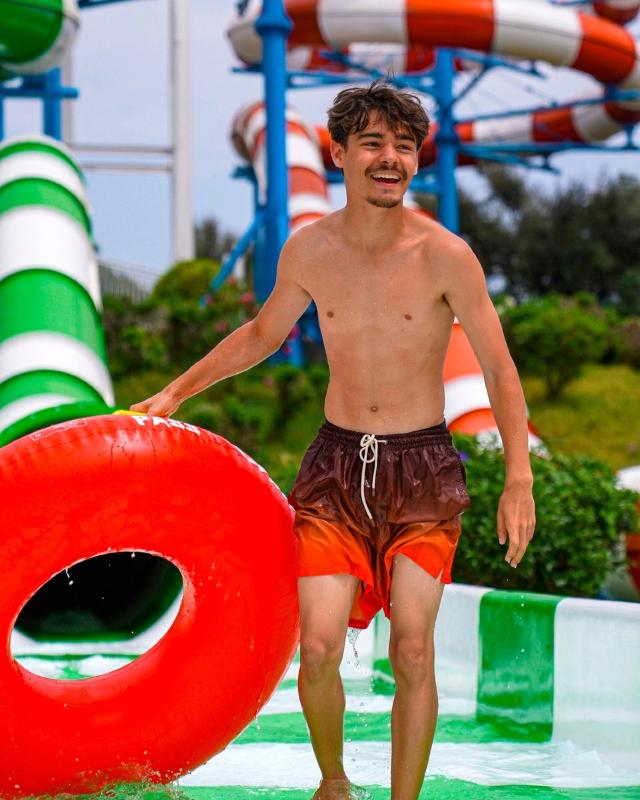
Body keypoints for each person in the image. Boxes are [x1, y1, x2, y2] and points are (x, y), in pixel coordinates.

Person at [130, 79, 536, 800]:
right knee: (316, 647)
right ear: (340, 154)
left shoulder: (446, 256)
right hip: (336, 467)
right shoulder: (310, 249)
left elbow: (500, 371)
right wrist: (177, 392)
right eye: (373, 143)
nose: (390, 158)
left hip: (423, 470)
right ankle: (335, 782)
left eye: (404, 146)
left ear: (417, 160)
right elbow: (262, 334)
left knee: (412, 649)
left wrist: (519, 479)